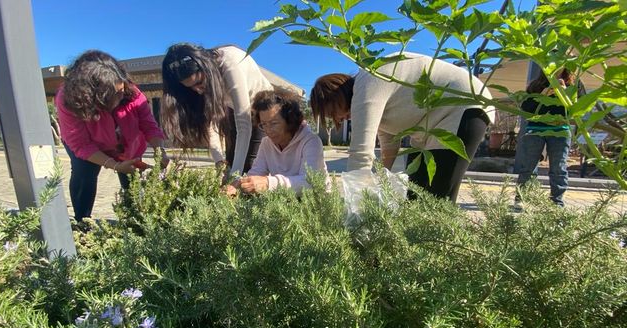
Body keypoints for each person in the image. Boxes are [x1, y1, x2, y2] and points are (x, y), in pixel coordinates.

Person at [310, 52, 496, 202]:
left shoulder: (366, 84)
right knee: (414, 197)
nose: (341, 118)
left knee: (437, 200)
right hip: (430, 128)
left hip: (464, 104)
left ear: (338, 95)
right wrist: (384, 178)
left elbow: (360, 153)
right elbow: (389, 144)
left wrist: (356, 203)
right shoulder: (372, 96)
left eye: (335, 112)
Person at [56, 50, 169, 222]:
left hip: (125, 142)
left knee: (131, 178)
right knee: (85, 173)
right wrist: (114, 165)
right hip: (88, 146)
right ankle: (82, 222)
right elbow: (80, 144)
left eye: (122, 88)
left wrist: (159, 150)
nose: (122, 94)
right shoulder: (69, 99)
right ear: (96, 96)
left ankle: (137, 222)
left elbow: (148, 124)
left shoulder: (130, 91)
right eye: (116, 94)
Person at [160, 43, 273, 177]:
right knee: (230, 163)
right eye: (190, 87)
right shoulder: (201, 87)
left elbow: (244, 124)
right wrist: (219, 161)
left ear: (207, 69)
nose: (197, 90)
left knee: (251, 167)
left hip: (263, 107)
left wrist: (235, 176)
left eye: (199, 83)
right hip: (233, 109)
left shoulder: (230, 64)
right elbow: (209, 124)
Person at [225, 89, 328, 195]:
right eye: (264, 124)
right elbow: (256, 172)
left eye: (274, 123)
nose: (268, 130)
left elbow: (309, 182)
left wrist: (268, 183)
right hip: (286, 201)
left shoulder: (311, 141)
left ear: (290, 120)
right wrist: (239, 184)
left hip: (317, 203)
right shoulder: (266, 143)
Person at [514, 69, 578, 207]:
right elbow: (526, 108)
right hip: (535, 129)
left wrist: (564, 94)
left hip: (560, 130)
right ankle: (522, 198)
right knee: (528, 165)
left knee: (558, 167)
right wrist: (542, 95)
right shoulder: (535, 86)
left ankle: (556, 201)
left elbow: (576, 111)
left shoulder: (574, 86)